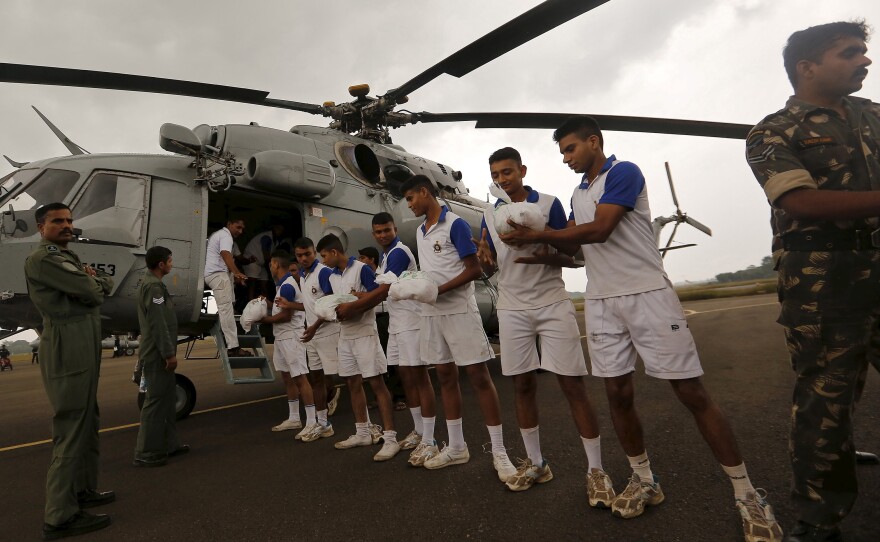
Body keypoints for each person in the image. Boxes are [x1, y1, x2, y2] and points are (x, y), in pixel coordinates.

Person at [500, 117, 782, 541]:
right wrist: (544, 255)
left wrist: (541, 232)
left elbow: (601, 228)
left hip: (646, 294)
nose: (566, 158)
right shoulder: (578, 193)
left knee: (690, 391)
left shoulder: (623, 172)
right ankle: (643, 478)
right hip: (600, 301)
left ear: (594, 142)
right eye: (561, 152)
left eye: (571, 149)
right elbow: (579, 251)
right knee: (617, 392)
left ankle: (746, 492)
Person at [745, 21, 878, 541]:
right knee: (825, 399)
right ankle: (820, 516)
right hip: (825, 286)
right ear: (807, 67)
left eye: (864, 53)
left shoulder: (875, 118)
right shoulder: (772, 133)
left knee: (840, 400)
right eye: (849, 53)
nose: (864, 61)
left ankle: (840, 453)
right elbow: (801, 202)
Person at [475, 147, 614, 501]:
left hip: (552, 303)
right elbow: (490, 267)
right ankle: (537, 463)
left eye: (507, 172)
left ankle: (596, 470)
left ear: (522, 169)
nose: (502, 180)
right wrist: (484, 260)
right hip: (511, 308)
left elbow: (576, 257)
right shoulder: (489, 215)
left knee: (573, 387)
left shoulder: (549, 203)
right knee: (522, 387)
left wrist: (544, 250)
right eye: (495, 175)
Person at [399, 175, 516, 481]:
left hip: (460, 311)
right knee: (445, 378)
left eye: (411, 198)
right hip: (432, 315)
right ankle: (456, 446)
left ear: (425, 192)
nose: (409, 204)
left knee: (479, 377)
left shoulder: (455, 225)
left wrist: (438, 290)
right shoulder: (421, 232)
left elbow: (474, 269)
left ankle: (500, 451)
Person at [24, 202, 114, 539]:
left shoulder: (69, 257)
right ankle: (59, 516)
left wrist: (94, 282)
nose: (67, 226)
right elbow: (94, 290)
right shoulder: (45, 259)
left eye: (70, 220)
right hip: (67, 342)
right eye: (57, 221)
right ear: (40, 227)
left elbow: (102, 282)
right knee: (72, 423)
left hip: (84, 340)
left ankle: (82, 491)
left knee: (88, 419)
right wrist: (93, 284)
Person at [337, 213, 437, 454]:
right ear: (374, 233)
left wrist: (353, 307)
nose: (383, 235)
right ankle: (419, 431)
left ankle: (429, 440)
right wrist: (361, 297)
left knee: (420, 378)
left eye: (387, 230)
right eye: (379, 232)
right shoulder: (385, 256)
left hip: (411, 323)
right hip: (397, 324)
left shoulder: (399, 252)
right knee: (406, 377)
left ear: (395, 230)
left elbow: (383, 291)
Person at [310, 234, 399, 461]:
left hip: (365, 334)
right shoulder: (332, 276)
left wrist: (355, 304)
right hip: (345, 335)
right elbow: (333, 303)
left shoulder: (362, 269)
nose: (323, 261)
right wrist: (315, 325)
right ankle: (362, 432)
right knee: (352, 382)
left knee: (377, 383)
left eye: (324, 256)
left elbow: (378, 296)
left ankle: (390, 439)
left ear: (334, 252)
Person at [133, 246, 189, 467]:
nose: (171, 263)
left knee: (166, 401)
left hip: (159, 351)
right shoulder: (154, 287)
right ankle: (146, 452)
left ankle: (168, 444)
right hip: (157, 353)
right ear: (161, 264)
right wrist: (168, 353)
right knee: (155, 402)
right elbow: (158, 323)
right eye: (170, 260)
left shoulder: (155, 285)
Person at [280, 237, 338, 441]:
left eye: (308, 254)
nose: (304, 258)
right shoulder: (303, 276)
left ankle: (366, 426)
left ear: (314, 252)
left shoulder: (323, 272)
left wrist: (313, 326)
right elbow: (310, 306)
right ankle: (322, 424)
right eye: (299, 255)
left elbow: (332, 304)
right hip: (313, 334)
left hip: (328, 332)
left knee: (351, 378)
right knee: (317, 379)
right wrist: (291, 306)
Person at [259, 251, 320, 439]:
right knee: (287, 377)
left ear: (276, 264)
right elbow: (281, 308)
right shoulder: (282, 285)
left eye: (271, 264)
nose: (270, 268)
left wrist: (264, 319)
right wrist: (267, 303)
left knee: (300, 378)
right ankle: (294, 417)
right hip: (281, 337)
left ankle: (311, 421)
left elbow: (286, 315)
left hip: (291, 337)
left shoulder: (286, 285)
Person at [204, 217, 250, 357]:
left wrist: (234, 276)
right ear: (229, 224)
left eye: (242, 229)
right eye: (238, 227)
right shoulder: (225, 236)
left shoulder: (219, 235)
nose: (240, 231)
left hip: (218, 274)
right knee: (227, 311)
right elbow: (225, 254)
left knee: (229, 306)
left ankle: (232, 343)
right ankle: (233, 347)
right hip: (217, 275)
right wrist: (237, 272)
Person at [243, 219, 291, 300]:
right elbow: (266, 255)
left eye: (281, 230)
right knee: (252, 284)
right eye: (278, 229)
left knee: (264, 283)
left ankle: (265, 303)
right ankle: (250, 302)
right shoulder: (267, 237)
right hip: (252, 262)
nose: (280, 232)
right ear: (274, 228)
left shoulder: (276, 241)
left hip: (262, 264)